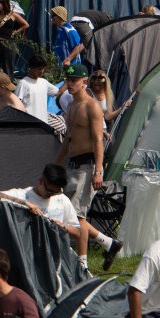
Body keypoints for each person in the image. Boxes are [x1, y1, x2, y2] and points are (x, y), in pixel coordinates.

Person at [53, 65, 104, 214]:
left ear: (84, 81)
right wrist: (55, 163)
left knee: (77, 216)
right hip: (73, 164)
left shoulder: (92, 106)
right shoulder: (71, 104)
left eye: (74, 80)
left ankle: (103, 239)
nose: (69, 84)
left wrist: (98, 171)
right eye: (68, 80)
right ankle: (106, 239)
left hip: (88, 165)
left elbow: (98, 140)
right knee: (68, 213)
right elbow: (69, 138)